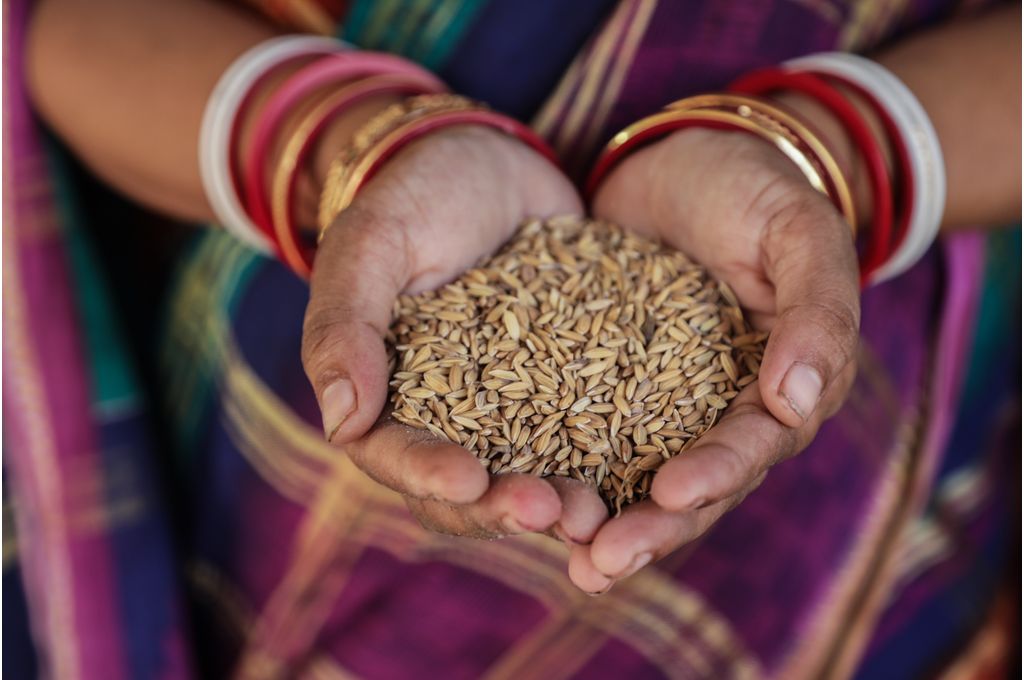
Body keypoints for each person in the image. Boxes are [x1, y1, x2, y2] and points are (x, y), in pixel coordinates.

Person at [6, 0, 1019, 677]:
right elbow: (59, 33)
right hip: (277, 491)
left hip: (868, 509)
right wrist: (342, 148)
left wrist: (837, 156)